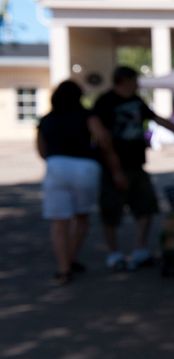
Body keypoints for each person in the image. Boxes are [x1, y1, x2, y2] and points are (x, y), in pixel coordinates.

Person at [93, 66, 174, 271]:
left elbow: (159, 120)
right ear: (123, 80)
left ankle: (140, 249)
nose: (137, 84)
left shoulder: (137, 102)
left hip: (136, 165)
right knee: (111, 212)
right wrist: (115, 170)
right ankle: (114, 254)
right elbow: (103, 138)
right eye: (134, 80)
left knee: (146, 206)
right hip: (112, 167)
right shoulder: (104, 102)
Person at [36, 80, 126, 284]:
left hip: (56, 166)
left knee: (59, 222)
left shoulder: (47, 119)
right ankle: (71, 257)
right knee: (81, 218)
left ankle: (63, 267)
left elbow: (41, 149)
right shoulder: (88, 116)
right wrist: (116, 169)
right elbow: (103, 139)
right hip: (85, 168)